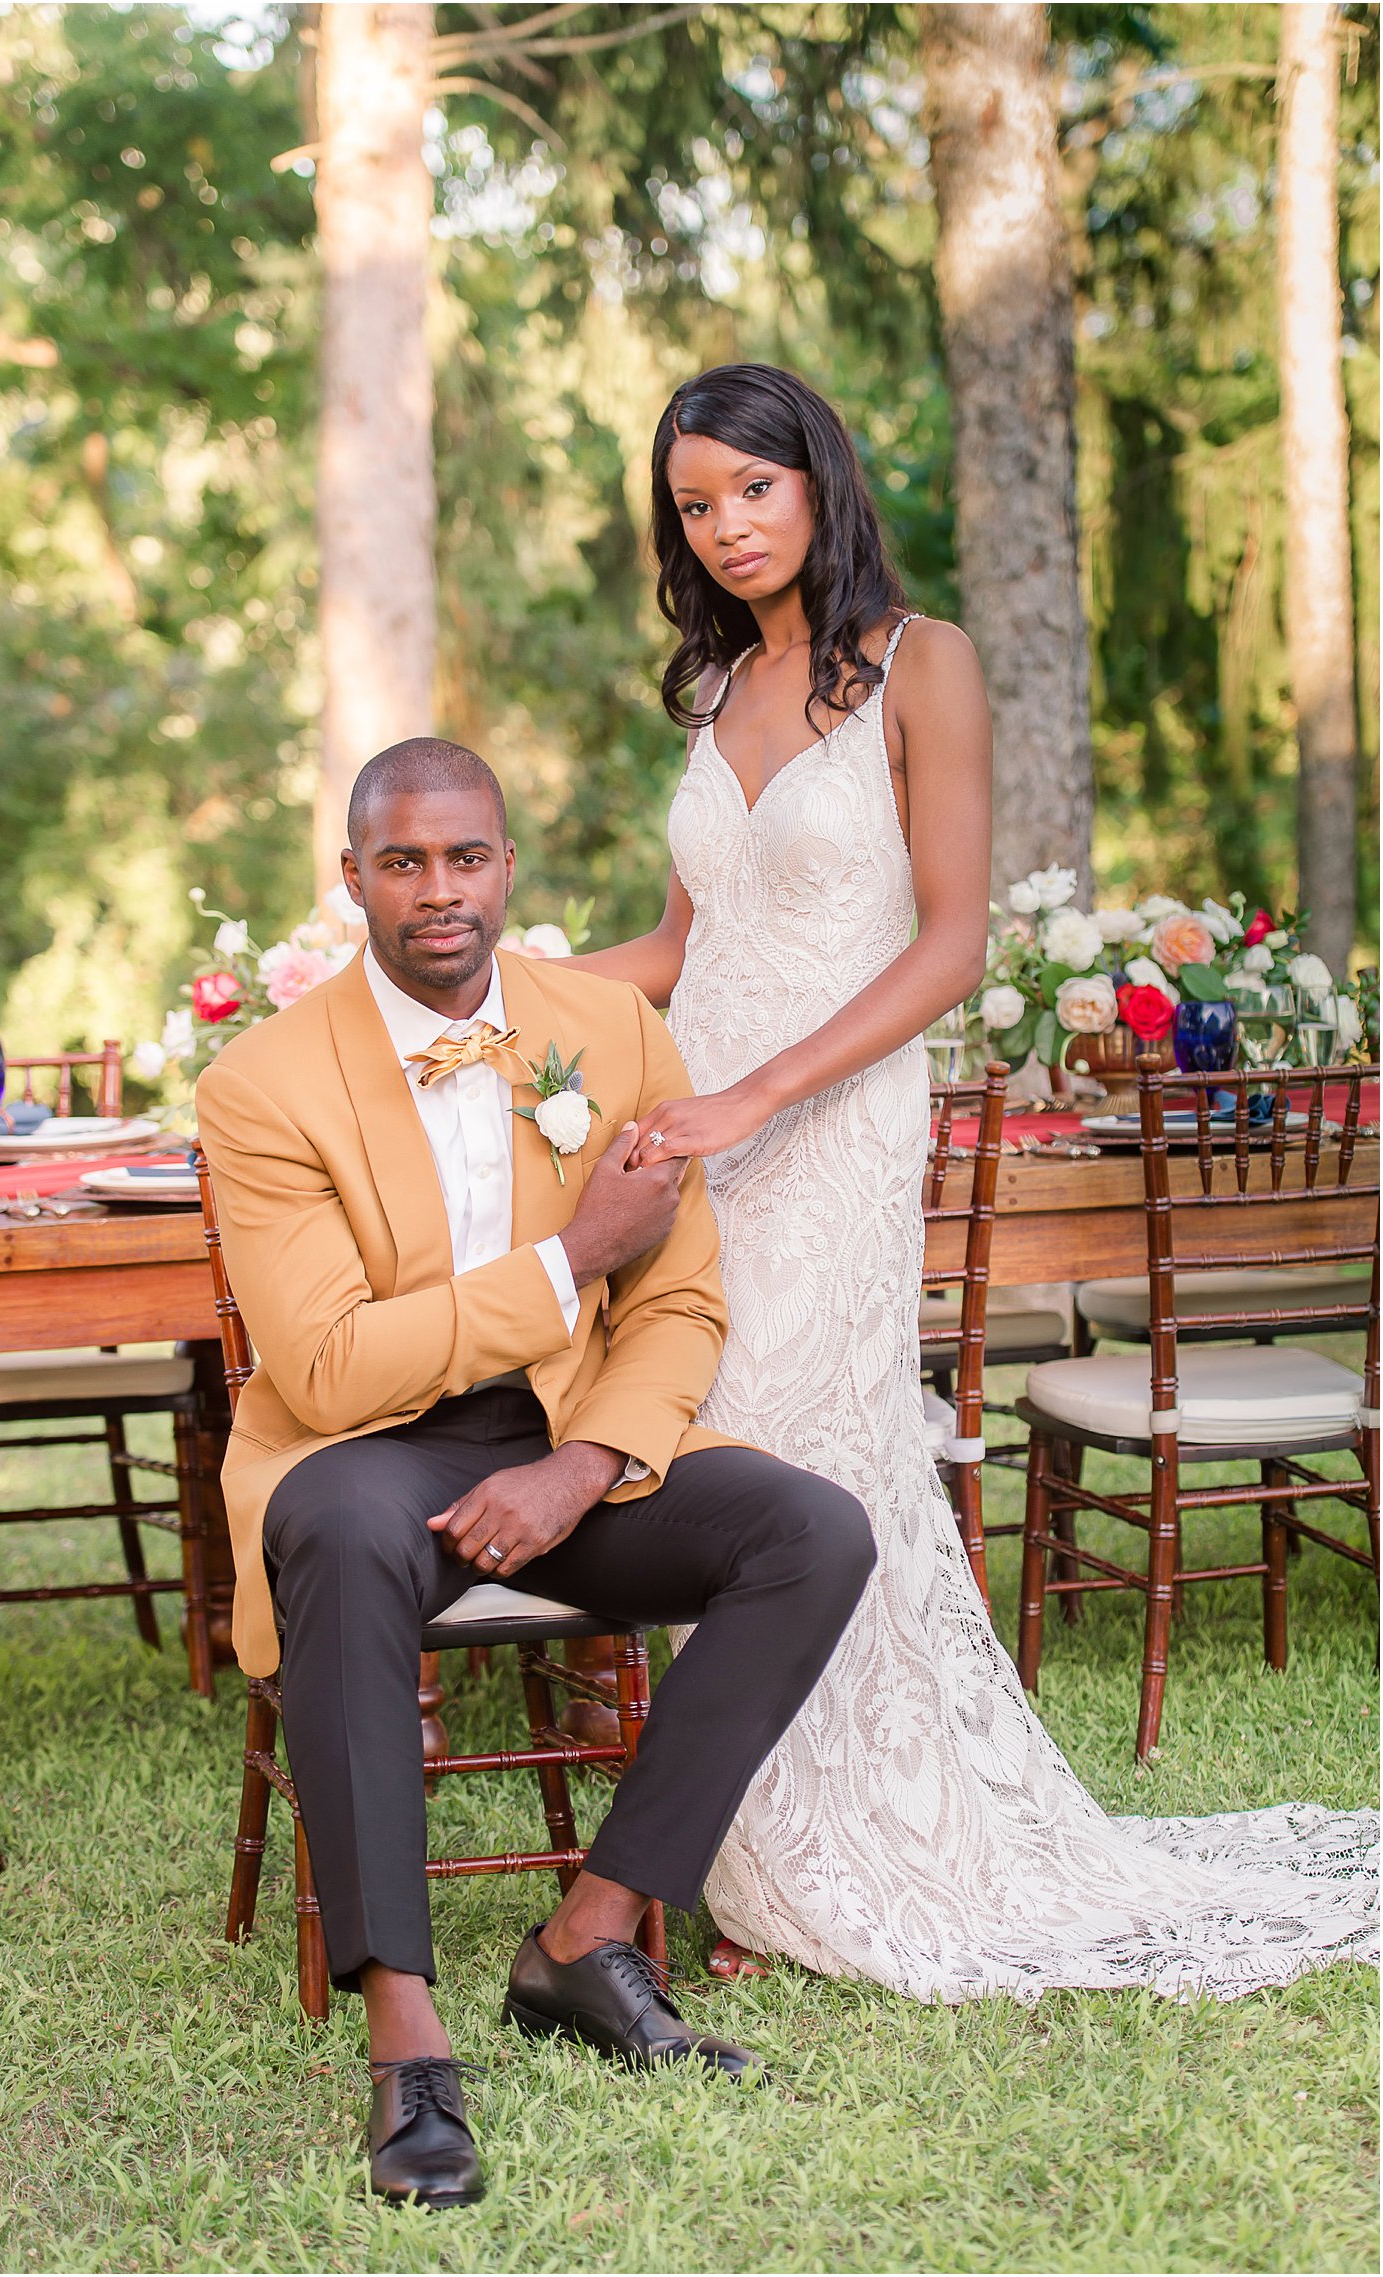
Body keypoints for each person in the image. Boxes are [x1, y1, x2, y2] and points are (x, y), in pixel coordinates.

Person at [575, 361, 1378, 1998]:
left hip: (828, 1123)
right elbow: (677, 944)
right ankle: (736, 1837)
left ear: (818, 477)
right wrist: (475, 999)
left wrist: (756, 1095)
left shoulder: (920, 665)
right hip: (702, 1132)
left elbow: (950, 946)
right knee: (711, 1451)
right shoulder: (716, 689)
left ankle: (835, 1843)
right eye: (694, 505)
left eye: (751, 489)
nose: (725, 527)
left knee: (805, 1454)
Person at [194, 736, 876, 2209]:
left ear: (508, 864)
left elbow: (681, 1300)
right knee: (338, 1527)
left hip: (563, 1435)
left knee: (812, 1531)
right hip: (364, 1453)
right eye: (402, 862)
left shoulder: (613, 1028)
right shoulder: (261, 1085)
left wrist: (580, 1466)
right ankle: (408, 2037)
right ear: (353, 878)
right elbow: (323, 1366)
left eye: (466, 857)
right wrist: (570, 1255)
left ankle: (588, 1934)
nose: (438, 892)